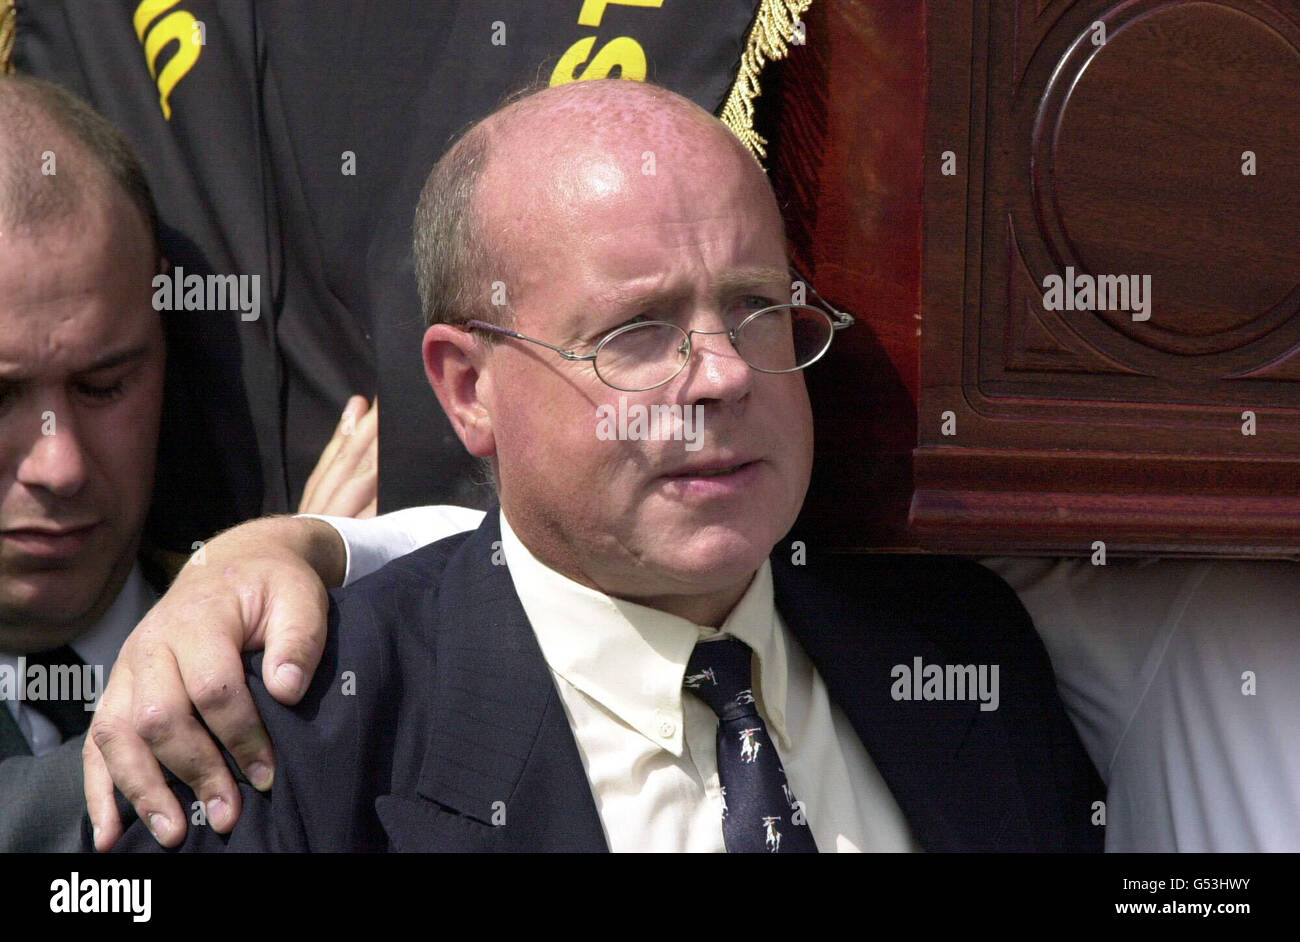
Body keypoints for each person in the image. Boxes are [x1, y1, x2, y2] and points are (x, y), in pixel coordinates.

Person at [94, 78, 1101, 853]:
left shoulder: (965, 659)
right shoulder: (301, 745)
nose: (720, 376)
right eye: (638, 331)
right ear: (467, 389)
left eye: (757, 308)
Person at [0, 75, 376, 852]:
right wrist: (243, 685)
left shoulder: (330, 624)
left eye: (106, 386)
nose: (60, 464)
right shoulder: (258, 658)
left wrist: (335, 595)